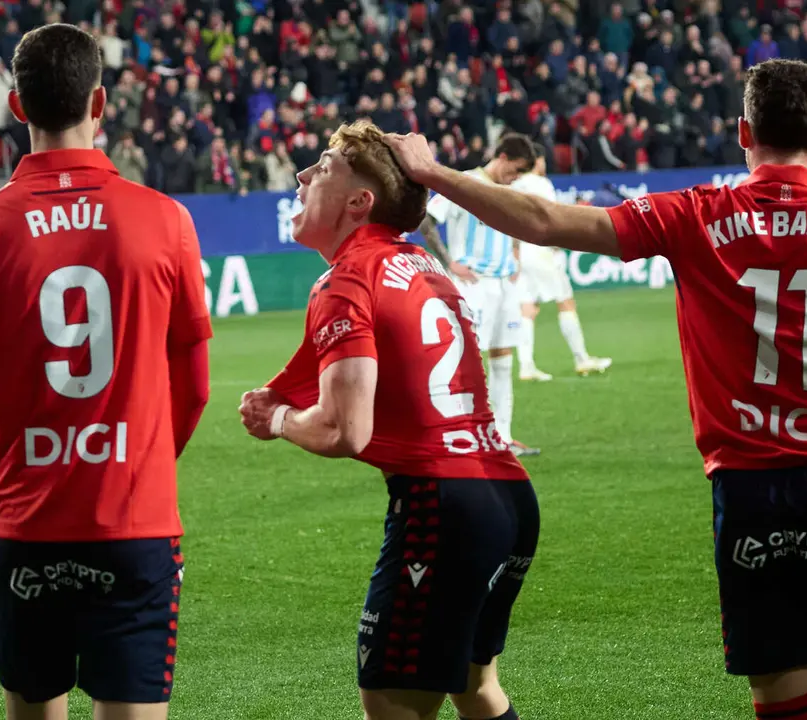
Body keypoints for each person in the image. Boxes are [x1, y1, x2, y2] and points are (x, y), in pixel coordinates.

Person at [385, 58, 807, 720]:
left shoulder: (694, 215)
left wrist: (436, 174)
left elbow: (549, 223)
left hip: (749, 493)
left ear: (742, 133)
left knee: (783, 698)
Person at [0, 23, 212, 720]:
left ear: (15, 106)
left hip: (23, 528)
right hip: (134, 522)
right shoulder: (166, 221)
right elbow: (195, 383)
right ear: (99, 105)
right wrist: (146, 465)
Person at [238, 119, 537, 720]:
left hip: (441, 507)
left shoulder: (348, 279)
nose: (301, 175)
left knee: (392, 701)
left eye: (321, 166)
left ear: (358, 202)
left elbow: (344, 430)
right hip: (508, 499)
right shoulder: (423, 265)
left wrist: (278, 421)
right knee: (475, 690)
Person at [418, 133, 540, 457]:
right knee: (469, 362)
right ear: (500, 157)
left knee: (503, 360)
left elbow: (515, 222)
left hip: (504, 284)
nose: (514, 178)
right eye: (513, 170)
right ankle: (465, 437)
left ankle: (503, 436)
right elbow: (426, 220)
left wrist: (514, 255)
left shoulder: (507, 190)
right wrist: (448, 262)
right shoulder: (465, 183)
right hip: (475, 285)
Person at [510, 152, 613, 381]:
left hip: (523, 252)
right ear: (537, 160)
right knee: (566, 302)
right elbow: (550, 215)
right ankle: (581, 358)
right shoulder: (541, 183)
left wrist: (515, 252)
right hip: (542, 251)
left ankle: (526, 366)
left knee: (528, 308)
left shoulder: (515, 185)